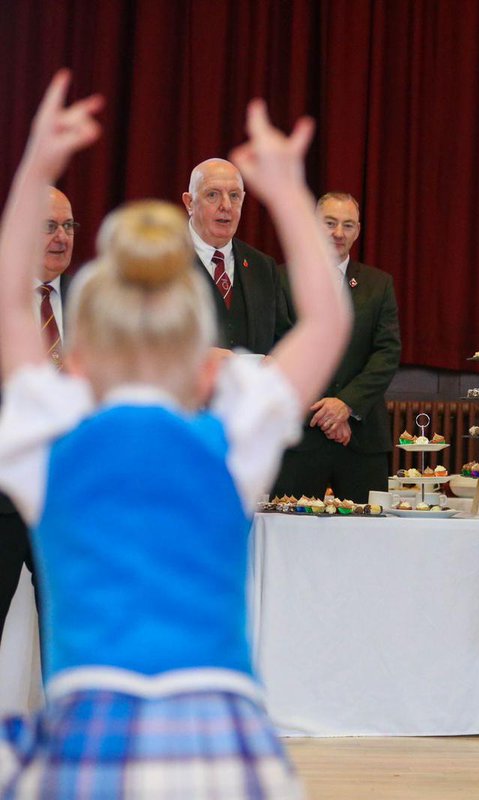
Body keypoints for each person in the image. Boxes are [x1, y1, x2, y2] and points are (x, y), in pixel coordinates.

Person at [0, 73, 350, 797]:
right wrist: (286, 192)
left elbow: (6, 304)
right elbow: (329, 324)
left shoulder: (51, 440)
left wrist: (36, 166)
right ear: (204, 367)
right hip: (218, 739)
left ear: (80, 362)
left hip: (90, 730)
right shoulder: (230, 438)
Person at [273, 192, 401, 502]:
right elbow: (277, 351)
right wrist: (324, 413)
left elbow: (387, 354)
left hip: (361, 437)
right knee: (291, 539)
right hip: (298, 437)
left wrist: (346, 405)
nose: (338, 233)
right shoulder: (280, 279)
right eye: (329, 223)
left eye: (348, 225)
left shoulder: (378, 284)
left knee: (367, 543)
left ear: (358, 230)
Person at [0, 187, 77, 648]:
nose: (61, 237)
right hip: (3, 499)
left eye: (68, 227)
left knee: (68, 636)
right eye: (49, 226)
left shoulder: (90, 303)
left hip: (66, 501)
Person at [183, 157, 291, 353]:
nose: (226, 205)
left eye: (234, 196)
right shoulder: (164, 262)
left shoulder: (263, 267)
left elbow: (282, 341)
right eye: (213, 195)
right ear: (190, 202)